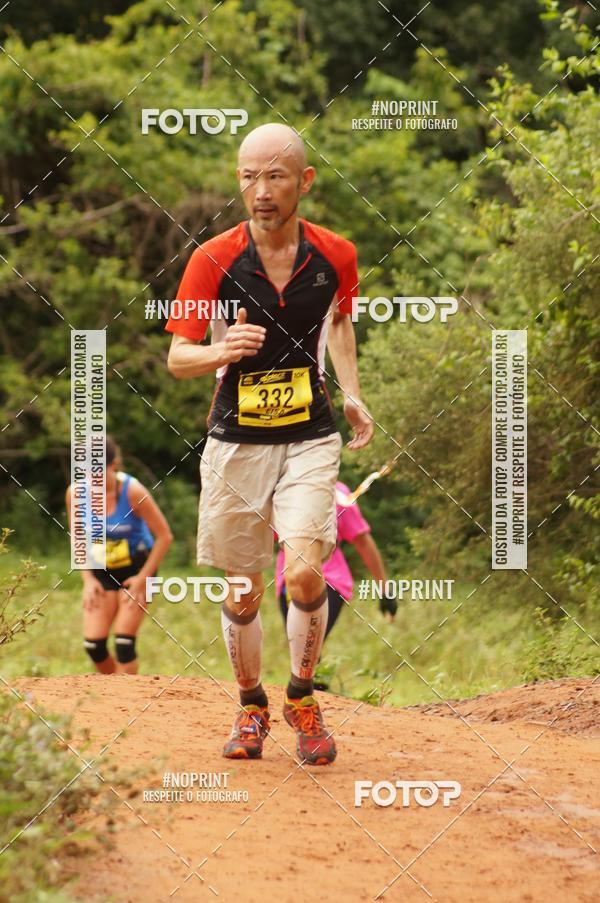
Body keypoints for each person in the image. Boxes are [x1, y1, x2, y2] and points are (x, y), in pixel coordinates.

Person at [166, 122, 373, 765]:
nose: (261, 190)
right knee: (243, 590)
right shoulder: (212, 259)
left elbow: (341, 322)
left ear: (303, 181)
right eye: (249, 176)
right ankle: (251, 704)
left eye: (275, 176)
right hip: (237, 440)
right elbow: (177, 358)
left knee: (306, 570)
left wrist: (353, 392)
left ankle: (302, 697)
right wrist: (221, 350)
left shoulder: (337, 254)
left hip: (310, 434)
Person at [66, 436, 173, 674]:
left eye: (98, 471)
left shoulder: (133, 491)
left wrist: (143, 578)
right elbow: (78, 538)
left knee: (124, 643)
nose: (93, 479)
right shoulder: (75, 494)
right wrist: (88, 579)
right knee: (94, 646)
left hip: (138, 567)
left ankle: (128, 693)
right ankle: (114, 689)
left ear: (113, 465)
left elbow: (165, 536)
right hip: (102, 567)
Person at [276, 481, 397, 690]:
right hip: (289, 577)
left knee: (308, 644)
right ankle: (315, 690)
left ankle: (312, 693)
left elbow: (362, 541)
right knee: (302, 647)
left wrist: (384, 589)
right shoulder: (282, 488)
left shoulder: (338, 494)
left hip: (330, 579)